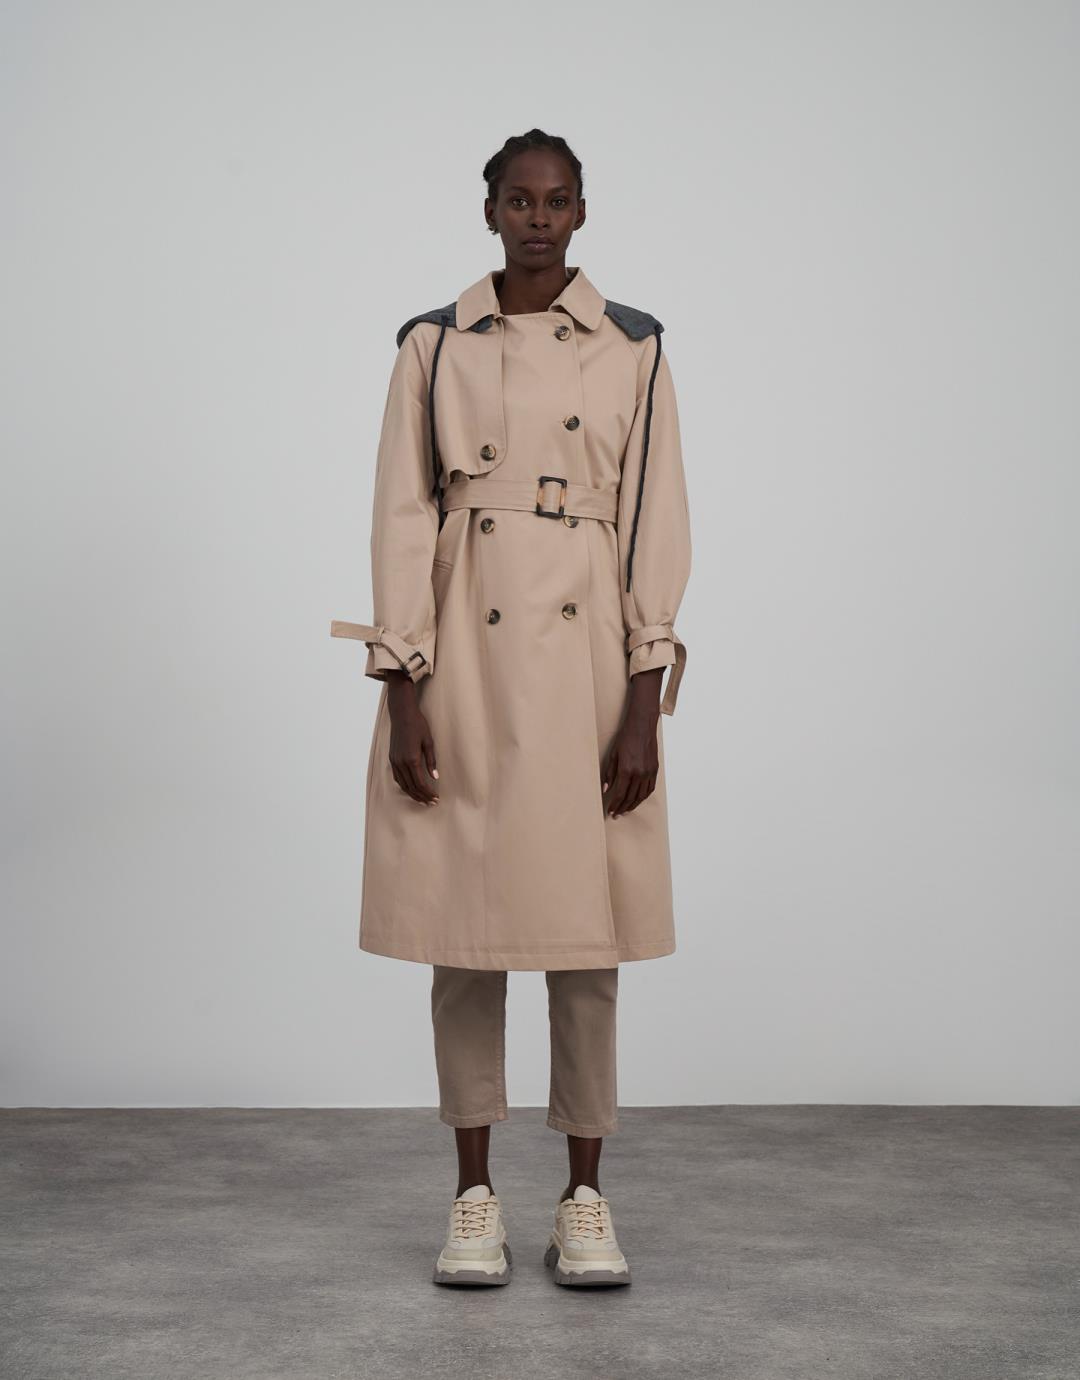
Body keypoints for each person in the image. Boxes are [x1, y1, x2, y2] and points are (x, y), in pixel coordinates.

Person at [330, 128, 691, 1288]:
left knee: (588, 944)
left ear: (582, 212)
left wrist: (644, 699)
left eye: (559, 199)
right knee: (464, 934)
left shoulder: (634, 346)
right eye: (519, 199)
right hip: (465, 655)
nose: (539, 217)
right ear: (488, 210)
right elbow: (401, 516)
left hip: (587, 662)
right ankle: (473, 1196)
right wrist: (402, 686)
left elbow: (656, 521)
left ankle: (586, 1196)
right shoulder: (433, 345)